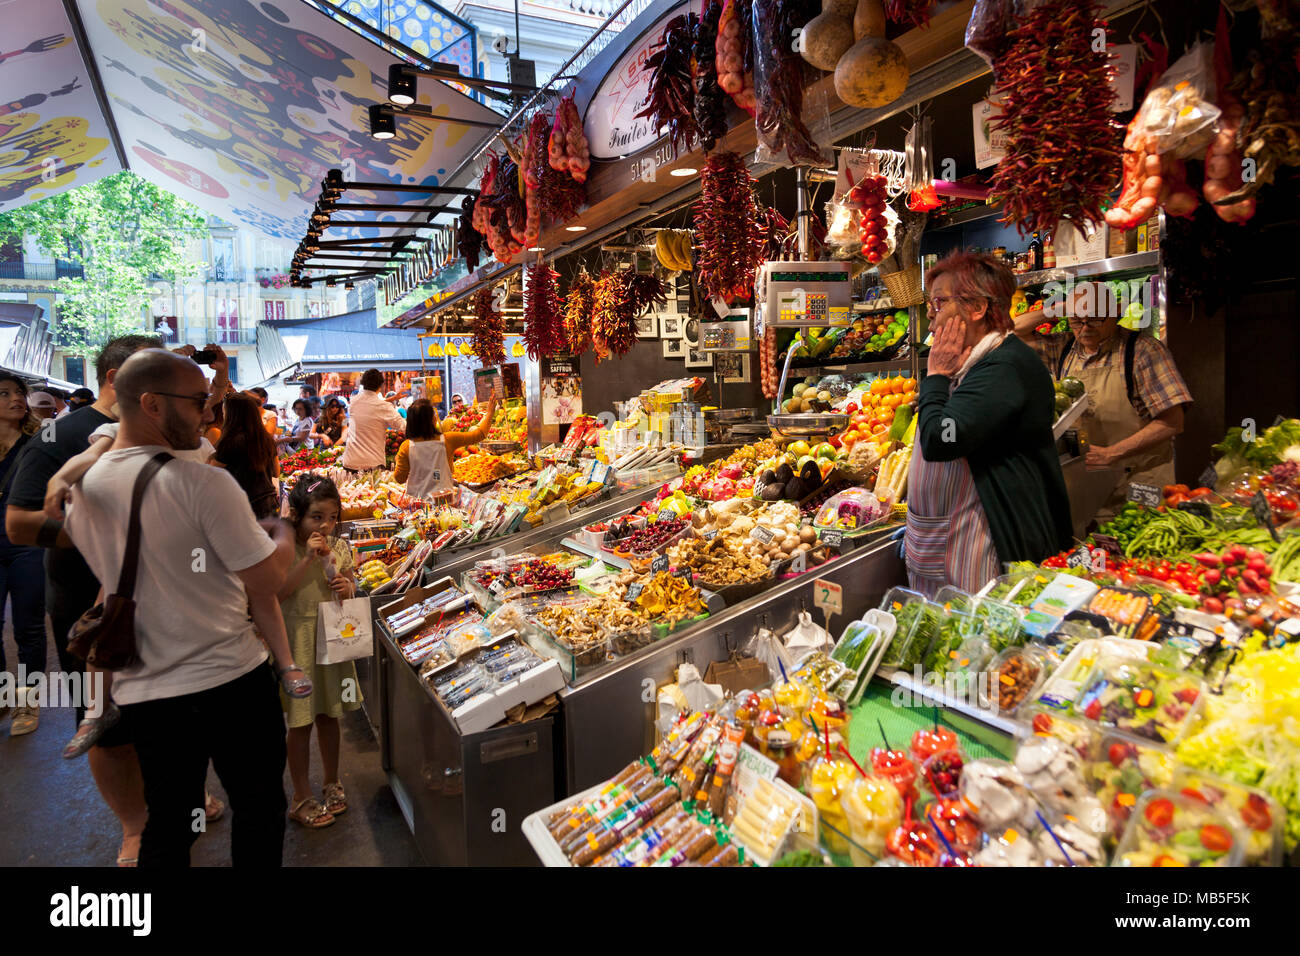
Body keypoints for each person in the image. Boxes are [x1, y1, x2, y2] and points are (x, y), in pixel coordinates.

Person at [63, 348, 300, 867]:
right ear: (151, 404)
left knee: (169, 820)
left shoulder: (85, 486)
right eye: (198, 402)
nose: (209, 414)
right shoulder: (203, 482)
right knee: (258, 806)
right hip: (229, 677)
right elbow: (268, 579)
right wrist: (282, 532)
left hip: (146, 690)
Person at [5, 334, 168, 866]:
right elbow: (20, 523)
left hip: (167, 599)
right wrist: (97, 534)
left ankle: (176, 800)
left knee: (167, 709)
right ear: (121, 380)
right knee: (104, 718)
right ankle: (134, 826)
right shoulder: (62, 433)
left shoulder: (163, 432)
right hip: (89, 605)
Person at [905, 252, 1072, 597]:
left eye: (938, 303)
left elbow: (943, 438)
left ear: (978, 308)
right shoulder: (978, 363)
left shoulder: (1003, 368)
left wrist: (935, 377)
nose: (931, 320)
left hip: (985, 544)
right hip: (946, 541)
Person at [1016, 281, 1192, 521]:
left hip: (1140, 484)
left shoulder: (1142, 351)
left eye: (1096, 318)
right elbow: (1015, 331)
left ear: (1115, 313)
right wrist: (1062, 307)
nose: (1085, 328)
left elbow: (1172, 422)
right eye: (1078, 320)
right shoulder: (1063, 348)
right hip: (1088, 488)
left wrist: (1113, 453)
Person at [276, 476, 360, 828]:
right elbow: (278, 593)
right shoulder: (284, 550)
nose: (325, 526)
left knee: (330, 714)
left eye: (332, 517)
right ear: (296, 516)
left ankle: (331, 781)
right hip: (297, 643)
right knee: (300, 721)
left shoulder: (339, 548)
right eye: (316, 518)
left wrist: (348, 586)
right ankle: (300, 795)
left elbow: (351, 584)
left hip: (332, 638)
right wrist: (307, 560)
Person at [0, 375, 47, 737]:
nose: (16, 399)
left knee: (28, 627)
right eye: (5, 394)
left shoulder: (39, 442)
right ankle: (3, 697)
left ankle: (26, 703)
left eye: (19, 392)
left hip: (27, 544)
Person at [392, 397, 494, 501]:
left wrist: (398, 461)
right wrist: (490, 413)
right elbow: (479, 435)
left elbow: (400, 479)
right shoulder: (448, 440)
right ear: (433, 419)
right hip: (444, 504)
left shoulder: (406, 447)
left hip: (418, 507)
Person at [214, 393, 281, 519]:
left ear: (231, 416)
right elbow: (276, 472)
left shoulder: (230, 442)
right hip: (268, 501)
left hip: (243, 505)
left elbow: (212, 472)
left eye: (224, 412)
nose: (223, 416)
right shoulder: (266, 439)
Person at [340, 368, 404, 472]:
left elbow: (370, 405)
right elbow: (402, 426)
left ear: (363, 383)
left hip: (350, 462)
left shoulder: (353, 402)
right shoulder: (383, 407)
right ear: (381, 385)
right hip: (372, 464)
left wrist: (388, 401)